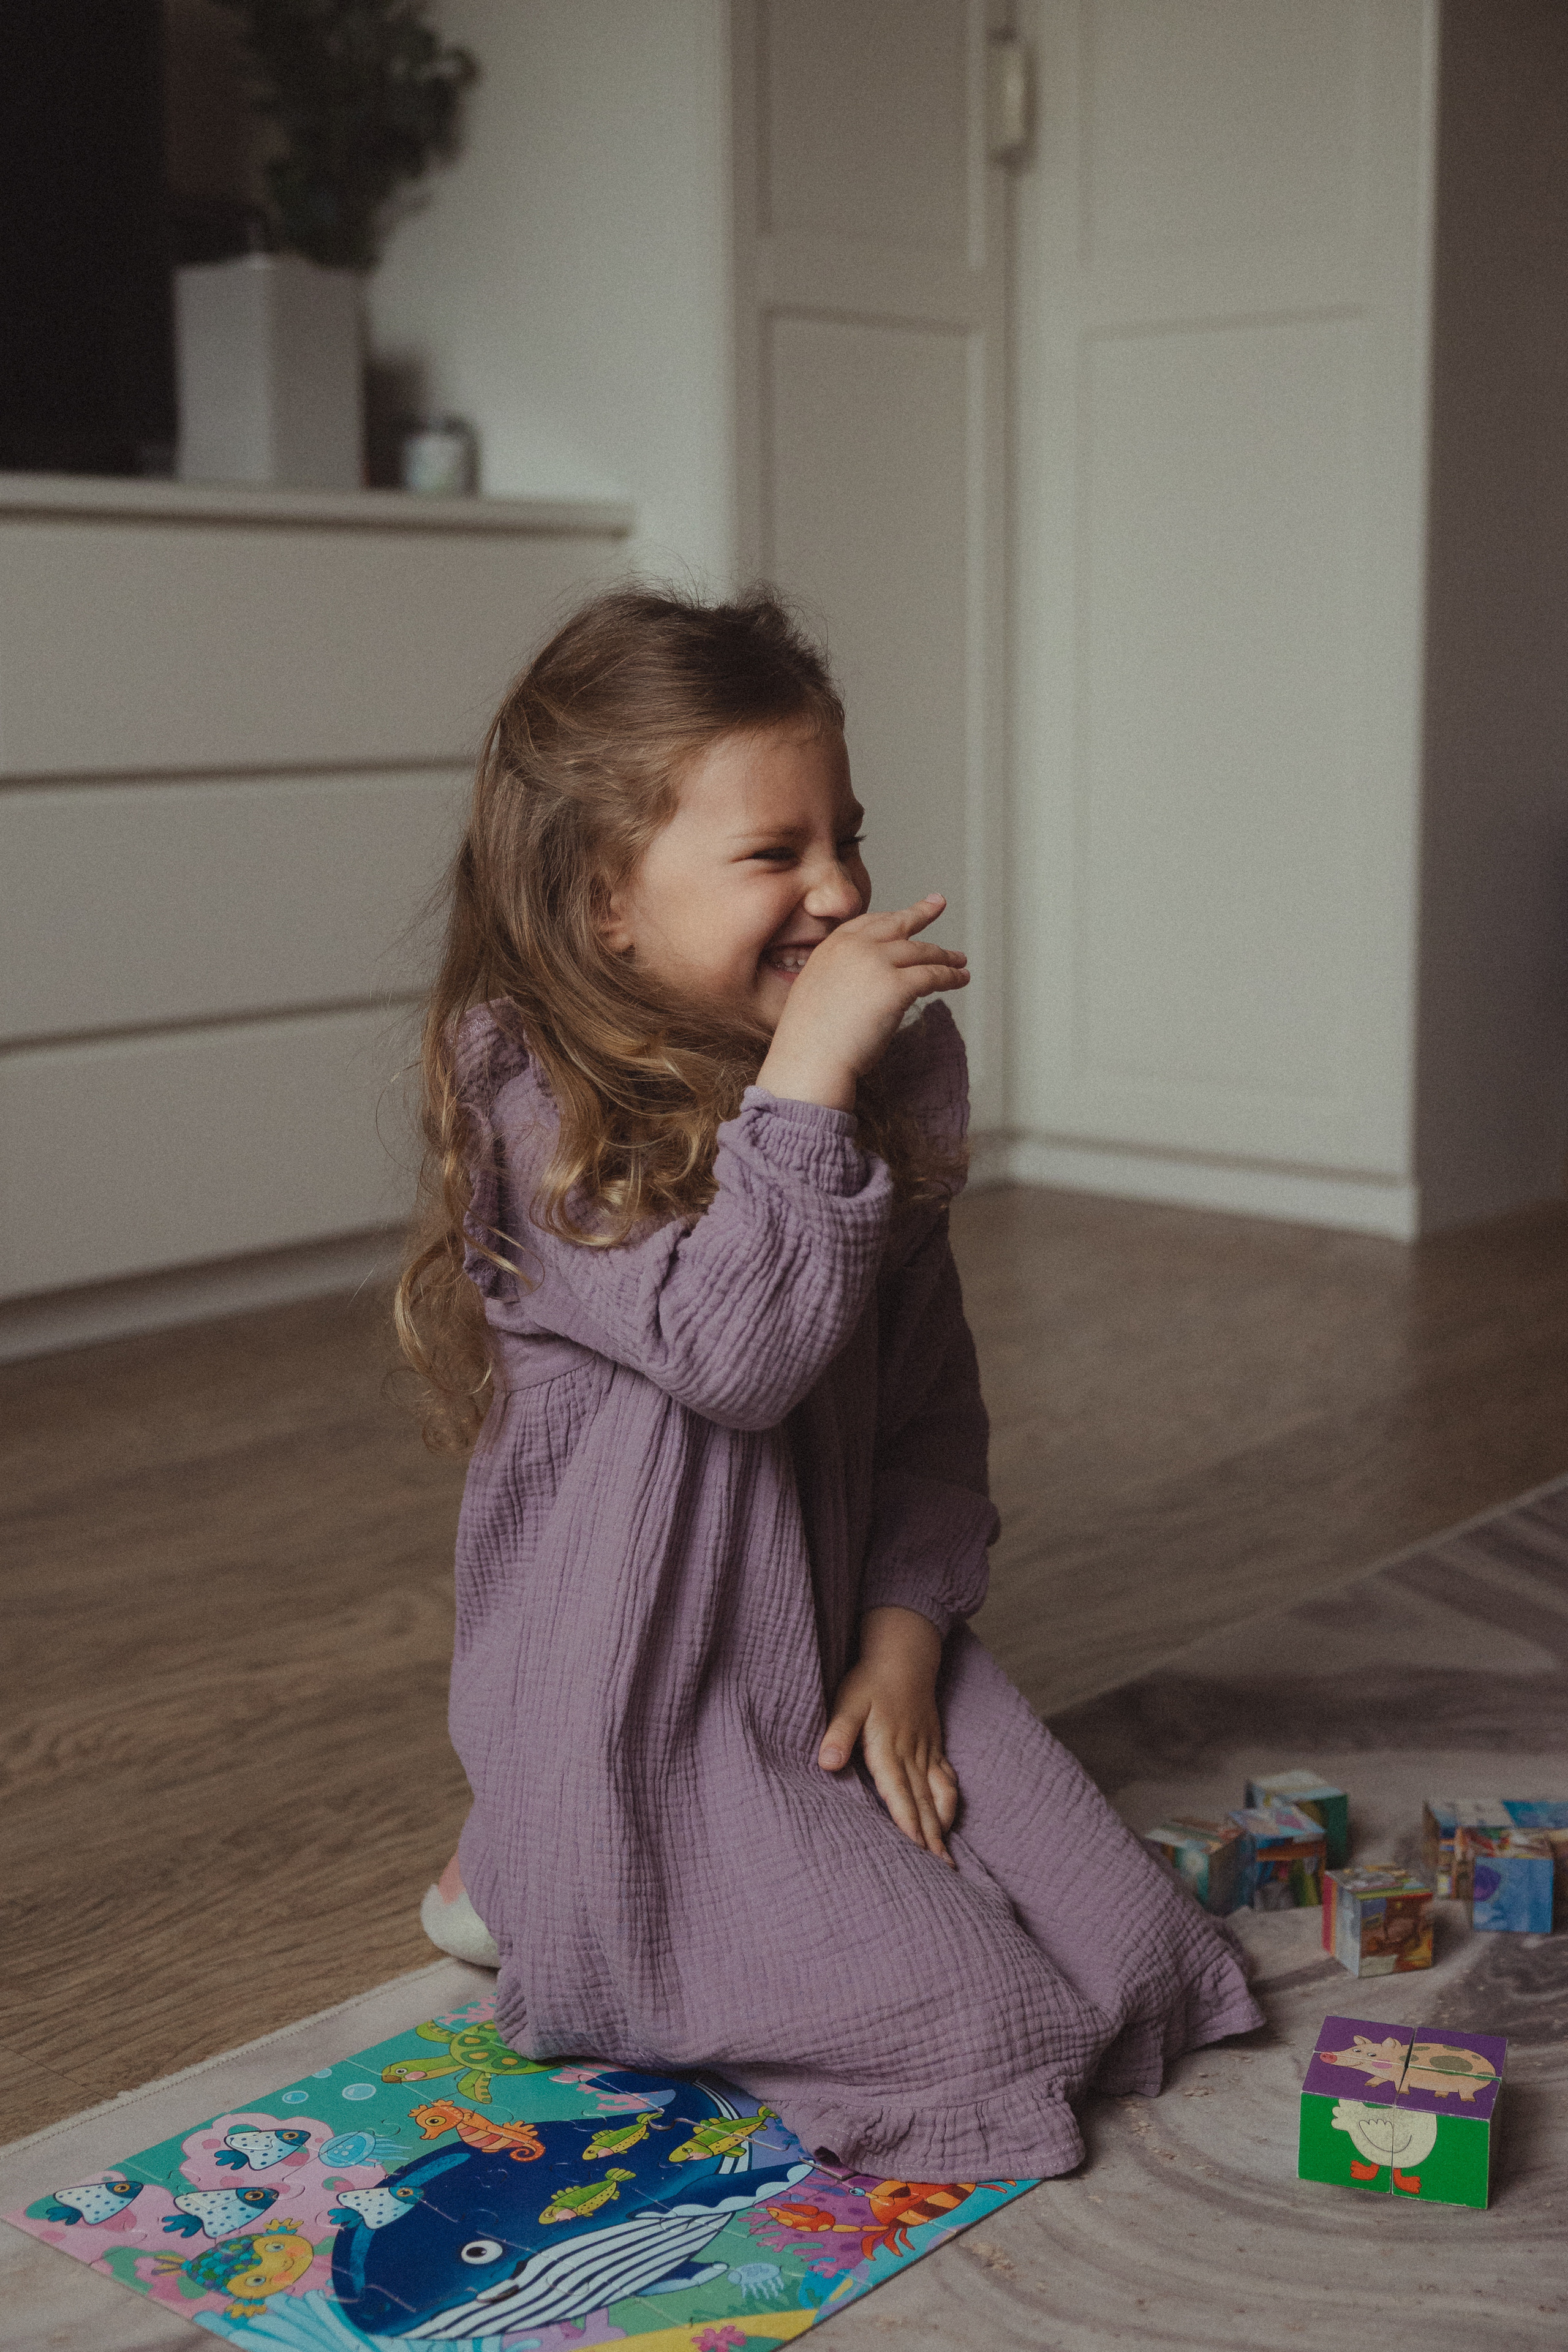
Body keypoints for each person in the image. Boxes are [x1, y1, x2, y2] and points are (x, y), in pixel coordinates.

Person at [396, 586, 1261, 2180]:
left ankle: (754, 1833)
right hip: (648, 1705)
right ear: (604, 903)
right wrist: (803, 1088)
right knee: (989, 2038)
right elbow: (739, 1354)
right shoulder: (542, 1102)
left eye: (846, 835)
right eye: (775, 854)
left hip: (829, 1635)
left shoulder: (875, 1081)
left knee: (1135, 1959)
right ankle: (529, 1871)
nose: (844, 889)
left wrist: (910, 1638)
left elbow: (932, 1405)